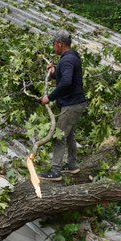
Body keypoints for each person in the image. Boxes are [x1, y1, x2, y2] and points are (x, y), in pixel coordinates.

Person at [39, 30, 88, 180]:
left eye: (54, 44)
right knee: (69, 135)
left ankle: (55, 171)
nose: (54, 47)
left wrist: (50, 97)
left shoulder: (67, 60)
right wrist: (54, 72)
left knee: (59, 136)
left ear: (60, 44)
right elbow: (66, 77)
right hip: (77, 103)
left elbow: (66, 82)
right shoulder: (71, 57)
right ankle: (72, 165)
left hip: (71, 105)